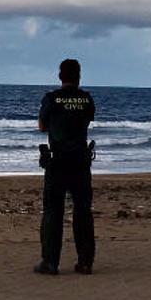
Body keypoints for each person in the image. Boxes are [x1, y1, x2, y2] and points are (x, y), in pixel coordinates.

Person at [34, 58, 96, 275]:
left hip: (57, 161)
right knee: (82, 211)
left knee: (53, 211)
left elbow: (42, 126)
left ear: (60, 76)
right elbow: (87, 121)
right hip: (80, 161)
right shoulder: (86, 99)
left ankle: (50, 262)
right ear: (78, 76)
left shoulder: (51, 99)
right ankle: (85, 262)